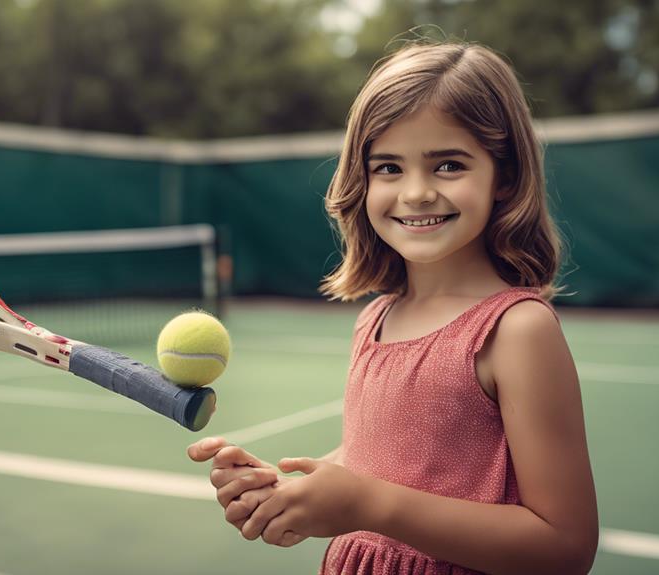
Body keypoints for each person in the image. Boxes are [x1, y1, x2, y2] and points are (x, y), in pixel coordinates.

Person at [188, 40, 599, 574]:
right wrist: (292, 492)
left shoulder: (517, 330)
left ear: (506, 177)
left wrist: (369, 504)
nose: (417, 192)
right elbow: (383, 463)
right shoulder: (375, 318)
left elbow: (565, 547)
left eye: (449, 164)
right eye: (388, 168)